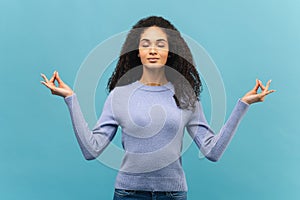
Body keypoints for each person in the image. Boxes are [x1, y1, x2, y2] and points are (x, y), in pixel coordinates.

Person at [40, 16, 275, 200]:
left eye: (160, 44)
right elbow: (91, 150)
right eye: (146, 44)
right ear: (137, 51)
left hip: (173, 195)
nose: (153, 50)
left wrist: (243, 105)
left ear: (170, 51)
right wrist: (70, 98)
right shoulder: (119, 95)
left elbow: (212, 151)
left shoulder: (186, 96)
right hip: (128, 195)